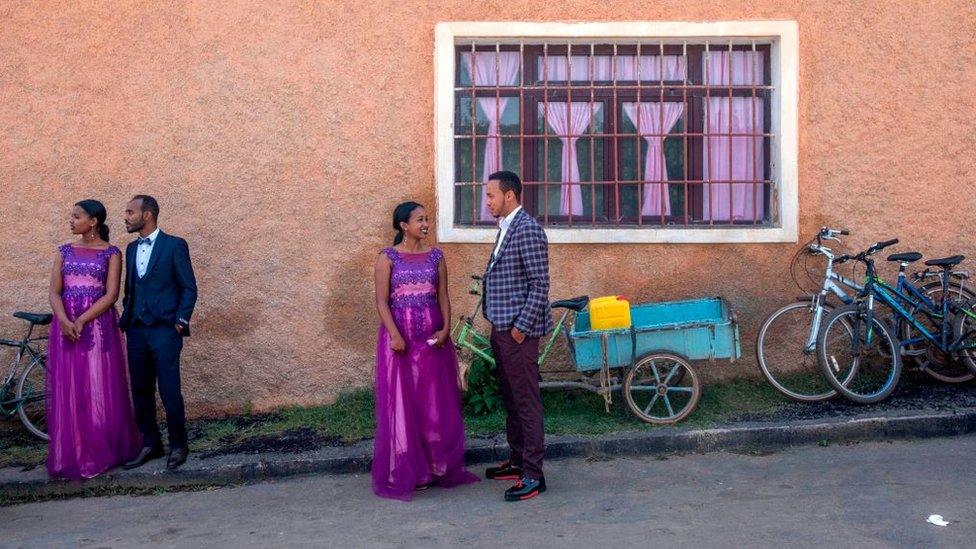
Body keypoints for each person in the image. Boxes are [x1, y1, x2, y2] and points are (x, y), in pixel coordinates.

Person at [372, 201, 479, 500]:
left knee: (433, 401)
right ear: (403, 225)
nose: (426, 224)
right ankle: (409, 469)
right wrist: (394, 335)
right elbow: (381, 302)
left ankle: (437, 466)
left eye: (427, 219)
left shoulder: (436, 256)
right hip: (400, 342)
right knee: (403, 402)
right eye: (420, 220)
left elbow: (443, 295)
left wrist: (446, 330)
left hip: (433, 340)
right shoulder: (387, 258)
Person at [46, 199, 142, 479]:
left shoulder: (112, 253)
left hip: (97, 324)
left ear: (93, 222)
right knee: (70, 387)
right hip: (66, 327)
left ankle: (102, 449)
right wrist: (64, 320)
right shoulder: (63, 252)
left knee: (98, 384)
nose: (71, 221)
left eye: (76, 217)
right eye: (71, 216)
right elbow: (54, 292)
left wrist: (82, 319)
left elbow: (111, 295)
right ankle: (73, 452)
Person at [481, 171, 553, 502]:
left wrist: (520, 328)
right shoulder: (506, 228)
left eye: (491, 195)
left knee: (525, 401)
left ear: (509, 196)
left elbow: (540, 284)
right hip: (502, 328)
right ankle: (516, 461)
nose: (488, 201)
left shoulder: (528, 230)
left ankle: (533, 475)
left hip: (518, 333)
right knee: (512, 399)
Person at [120, 195, 198, 471]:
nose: (126, 216)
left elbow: (188, 287)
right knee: (141, 390)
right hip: (137, 331)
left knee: (169, 390)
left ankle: (179, 445)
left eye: (130, 212)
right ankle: (151, 443)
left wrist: (179, 321)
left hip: (165, 330)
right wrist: (128, 317)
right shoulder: (130, 250)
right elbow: (131, 288)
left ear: (148, 215)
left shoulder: (174, 245)